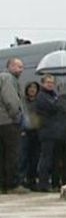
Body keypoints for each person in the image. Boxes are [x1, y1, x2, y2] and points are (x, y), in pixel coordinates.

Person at [36, 74, 66, 192]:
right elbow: (53, 108)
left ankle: (56, 183)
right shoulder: (41, 96)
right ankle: (43, 183)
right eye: (47, 82)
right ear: (42, 83)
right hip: (46, 132)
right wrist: (59, 102)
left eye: (52, 82)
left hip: (57, 132)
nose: (50, 84)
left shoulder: (54, 95)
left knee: (56, 159)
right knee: (46, 159)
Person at [0, 58, 26, 194]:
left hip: (2, 121)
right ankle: (13, 184)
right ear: (9, 66)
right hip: (8, 122)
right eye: (18, 67)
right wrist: (16, 115)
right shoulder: (8, 79)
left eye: (22, 67)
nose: (21, 70)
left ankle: (3, 185)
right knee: (13, 154)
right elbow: (11, 99)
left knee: (3, 155)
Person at [19, 81, 41, 190]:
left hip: (37, 131)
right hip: (25, 131)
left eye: (34, 88)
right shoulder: (23, 101)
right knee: (24, 157)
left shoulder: (40, 101)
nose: (32, 90)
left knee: (35, 157)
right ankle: (21, 179)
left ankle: (32, 179)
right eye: (30, 87)